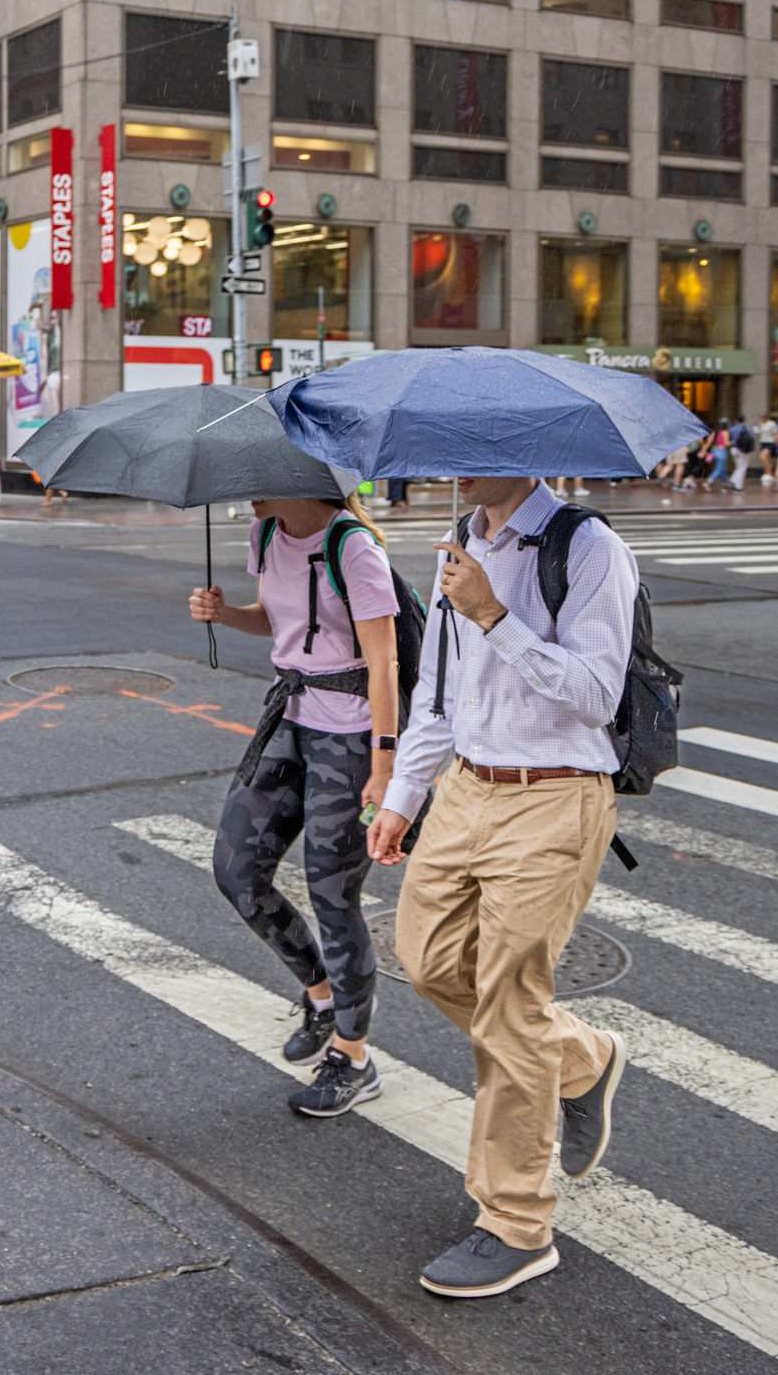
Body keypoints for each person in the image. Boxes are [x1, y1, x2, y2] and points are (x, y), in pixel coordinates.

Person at [366, 475, 634, 1299]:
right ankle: (583, 1058)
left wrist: (493, 614)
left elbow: (596, 696)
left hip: (555, 796)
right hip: (467, 788)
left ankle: (516, 1224)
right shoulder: (465, 542)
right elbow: (438, 699)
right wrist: (403, 799)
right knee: (429, 960)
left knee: (512, 1008)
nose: (451, 463)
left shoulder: (587, 548)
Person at [189, 491, 400, 1117]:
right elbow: (278, 620)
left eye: (260, 477)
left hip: (352, 735)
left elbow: (384, 661)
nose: (248, 489)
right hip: (290, 717)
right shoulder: (265, 533)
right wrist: (227, 614)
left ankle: (354, 1059)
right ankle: (321, 995)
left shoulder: (353, 547)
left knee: (332, 894)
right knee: (237, 871)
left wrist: (386, 766)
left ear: (300, 478)